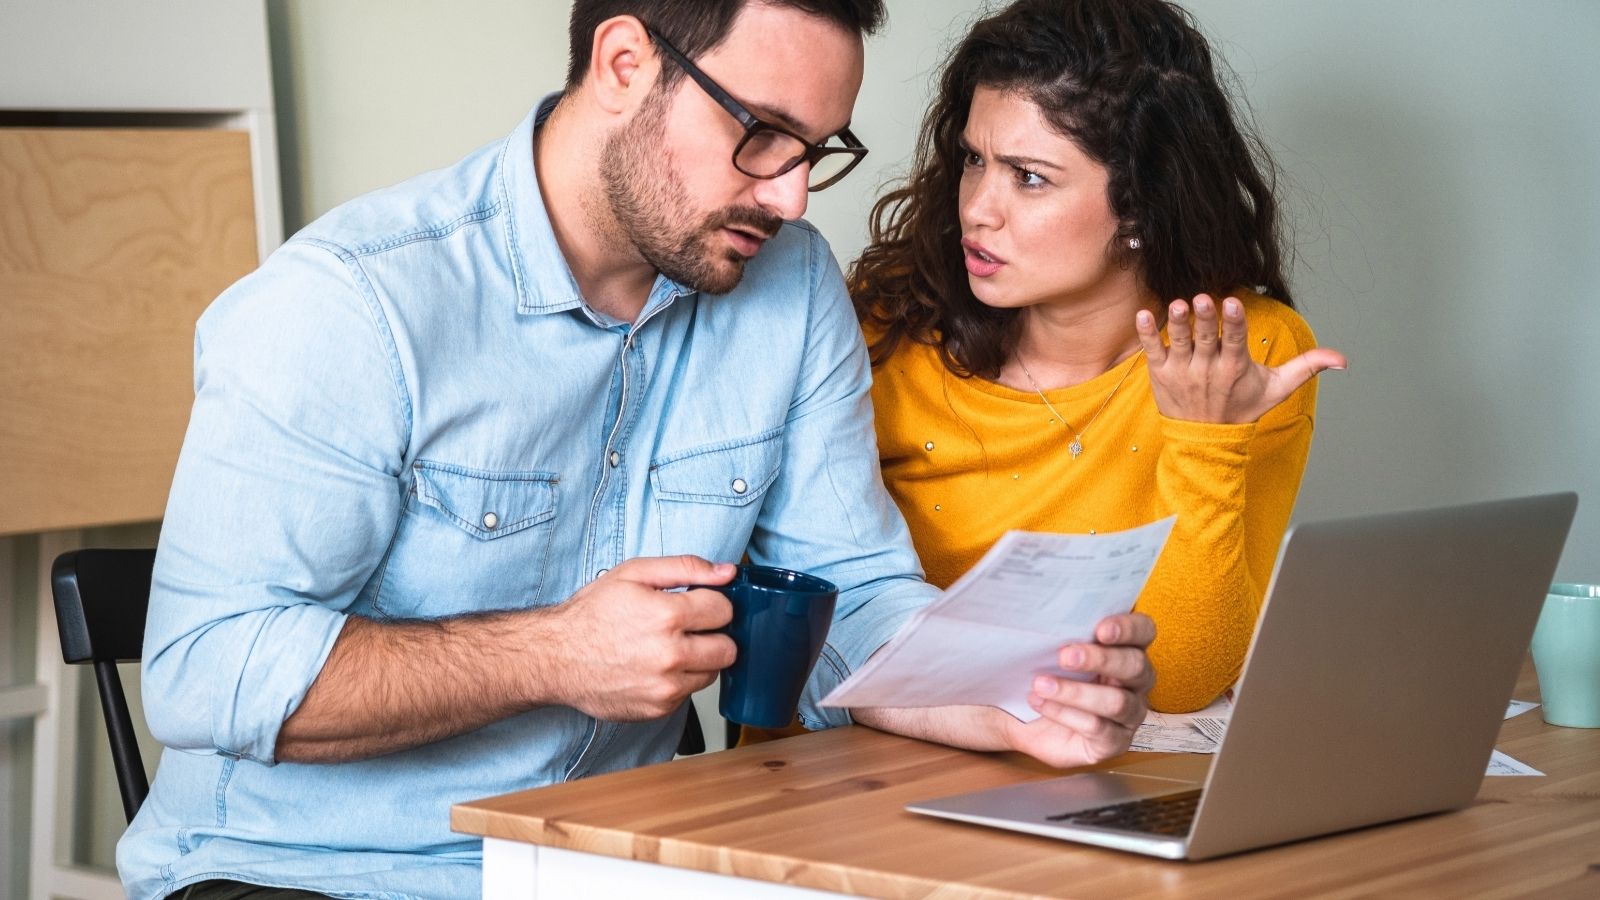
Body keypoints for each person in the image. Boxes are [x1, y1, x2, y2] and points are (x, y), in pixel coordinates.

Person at [122, 3, 1160, 898]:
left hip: (613, 861)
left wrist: (1013, 695)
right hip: (301, 872)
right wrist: (553, 653)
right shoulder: (352, 303)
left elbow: (851, 594)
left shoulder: (787, 288)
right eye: (762, 133)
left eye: (817, 150)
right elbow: (204, 673)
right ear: (625, 64)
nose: (792, 196)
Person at [851, 0, 1347, 715]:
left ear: (1142, 209)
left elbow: (1179, 680)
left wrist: (1207, 442)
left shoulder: (1242, 351)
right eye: (973, 160)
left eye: (1028, 177)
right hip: (854, 764)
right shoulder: (882, 327)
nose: (978, 208)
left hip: (1076, 769)